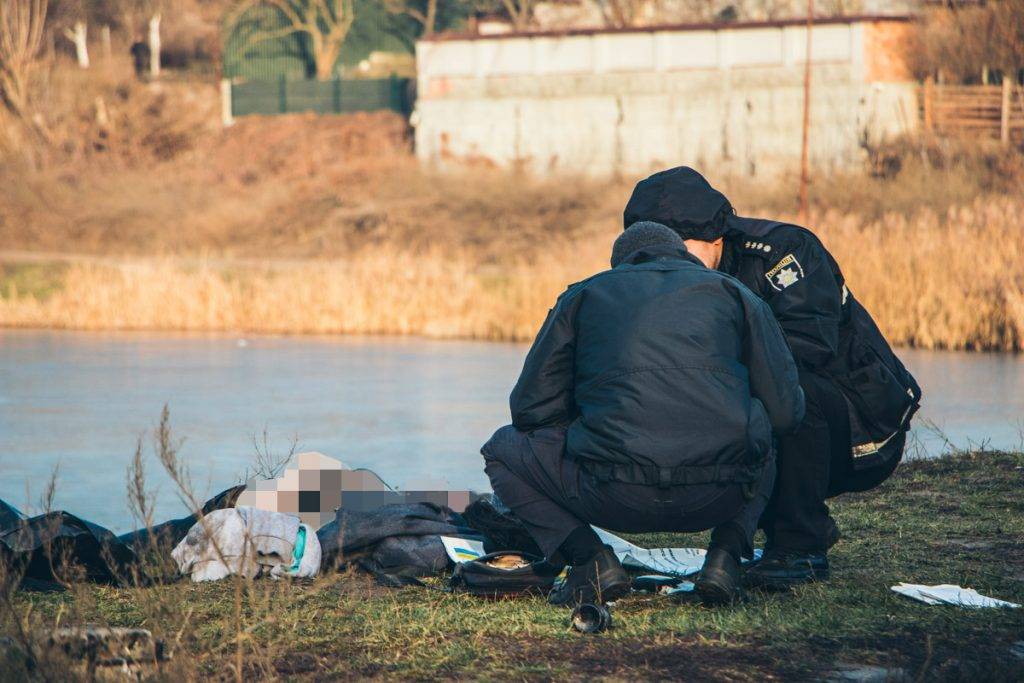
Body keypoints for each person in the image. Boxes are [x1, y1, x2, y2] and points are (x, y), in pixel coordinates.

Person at [622, 167, 922, 589]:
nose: (667, 265)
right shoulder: (648, 279)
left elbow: (809, 348)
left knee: (784, 387)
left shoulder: (784, 253)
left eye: (680, 251)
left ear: (716, 238)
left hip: (859, 425)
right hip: (764, 414)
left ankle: (801, 546)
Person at [481, 222, 805, 606]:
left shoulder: (583, 296)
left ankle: (590, 560)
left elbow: (529, 410)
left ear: (621, 264)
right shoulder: (739, 295)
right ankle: (726, 558)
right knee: (763, 432)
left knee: (501, 449)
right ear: (682, 254)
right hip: (719, 493)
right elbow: (787, 413)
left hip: (610, 492)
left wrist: (586, 417)